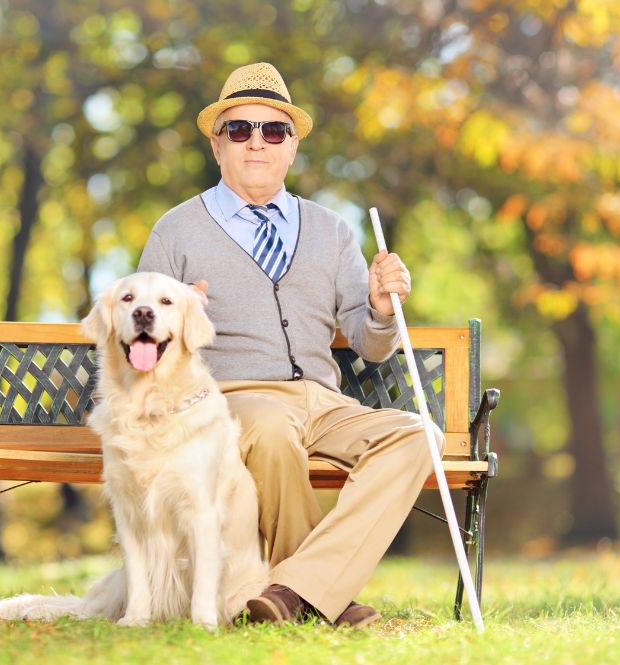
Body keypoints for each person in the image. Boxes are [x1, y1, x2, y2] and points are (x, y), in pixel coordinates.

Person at [136, 62, 441, 628]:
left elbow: (372, 348)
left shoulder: (333, 230)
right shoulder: (176, 230)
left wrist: (377, 307)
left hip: (325, 402)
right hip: (230, 398)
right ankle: (326, 597)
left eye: (272, 131)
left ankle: (296, 591)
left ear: (292, 146)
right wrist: (179, 323)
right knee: (273, 430)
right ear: (217, 145)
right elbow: (142, 339)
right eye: (240, 130)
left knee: (417, 435)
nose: (257, 142)